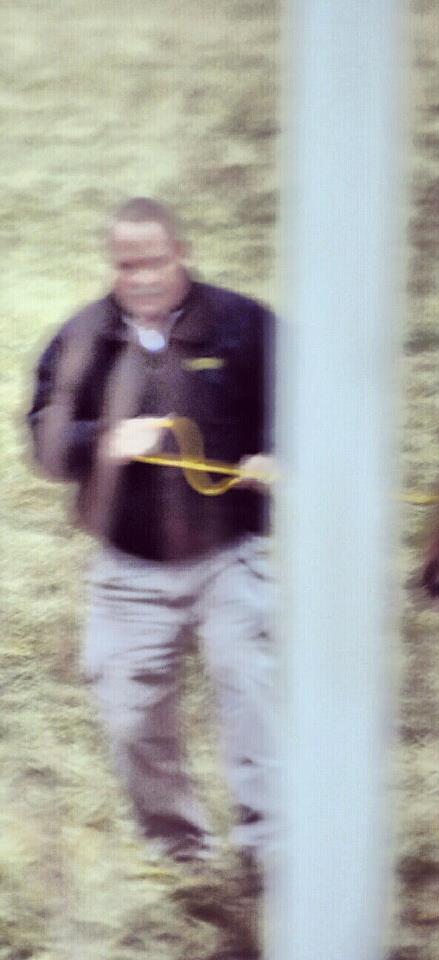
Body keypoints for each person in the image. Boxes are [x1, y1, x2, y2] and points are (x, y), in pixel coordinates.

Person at [27, 197, 277, 869]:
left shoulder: (243, 324)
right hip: (128, 566)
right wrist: (103, 439)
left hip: (229, 554)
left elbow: (305, 401)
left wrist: (277, 455)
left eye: (153, 262)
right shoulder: (81, 339)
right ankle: (181, 857)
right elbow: (43, 442)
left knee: (249, 682)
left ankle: (268, 850)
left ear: (182, 254)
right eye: (125, 265)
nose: (139, 278)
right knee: (130, 718)